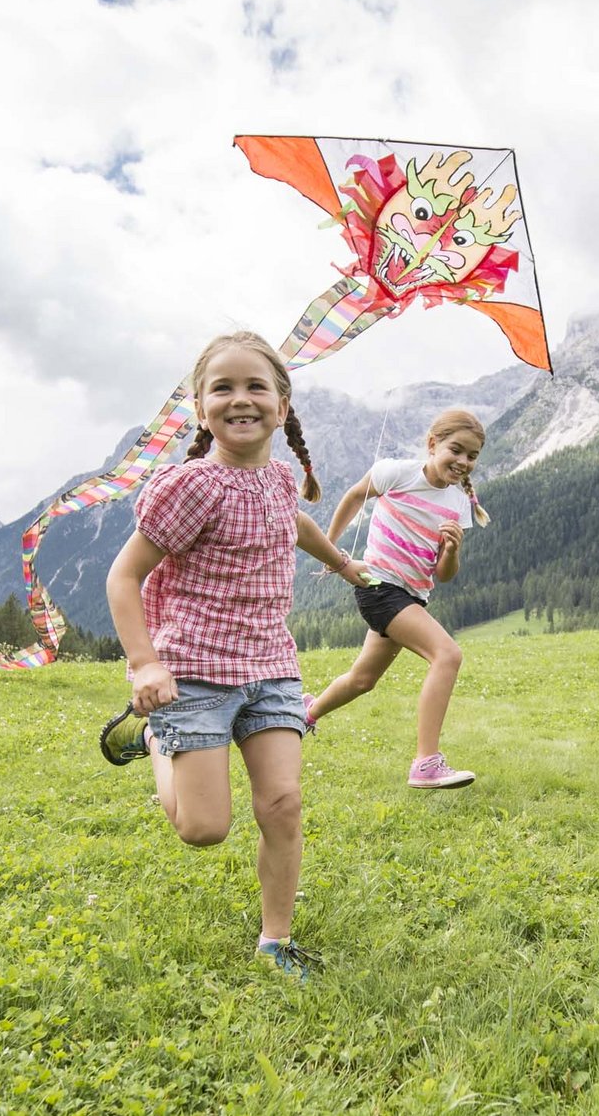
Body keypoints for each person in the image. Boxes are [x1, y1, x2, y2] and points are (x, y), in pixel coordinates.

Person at [98, 331, 371, 981]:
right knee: (203, 828)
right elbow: (121, 576)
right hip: (191, 673)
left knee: (282, 803)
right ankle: (160, 741)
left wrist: (341, 561)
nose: (240, 398)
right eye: (223, 386)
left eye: (256, 386)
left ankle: (274, 939)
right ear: (200, 406)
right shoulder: (191, 487)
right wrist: (145, 664)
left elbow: (294, 522)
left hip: (271, 669)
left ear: (282, 404)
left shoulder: (279, 479)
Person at [302, 409, 490, 789]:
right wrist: (331, 551)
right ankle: (426, 764)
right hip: (378, 587)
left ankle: (305, 714)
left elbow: (444, 575)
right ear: (433, 444)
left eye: (472, 456)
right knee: (448, 655)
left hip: (411, 596)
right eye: (457, 450)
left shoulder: (457, 504)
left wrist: (452, 551)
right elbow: (355, 496)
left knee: (362, 679)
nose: (463, 461)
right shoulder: (396, 473)